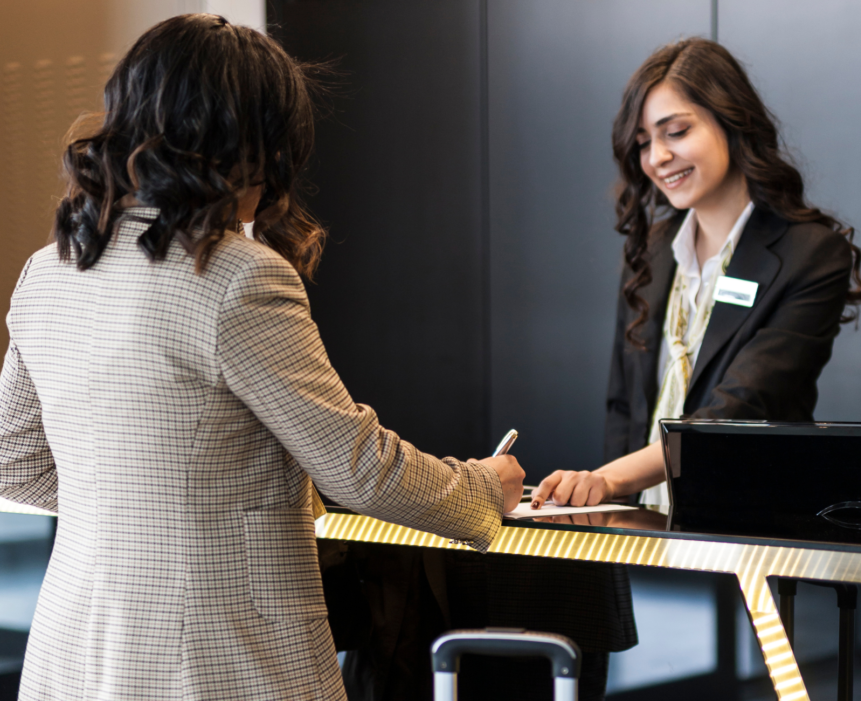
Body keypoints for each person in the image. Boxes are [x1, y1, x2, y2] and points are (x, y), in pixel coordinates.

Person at [0, 14, 524, 701]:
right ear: (246, 144)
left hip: (73, 656)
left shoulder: (51, 268)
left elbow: (13, 457)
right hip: (220, 662)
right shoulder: (236, 274)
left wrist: (156, 512)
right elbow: (357, 466)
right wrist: (484, 486)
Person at [532, 37, 861, 509]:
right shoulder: (652, 252)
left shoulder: (812, 255)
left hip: (744, 532)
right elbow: (624, 408)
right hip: (639, 532)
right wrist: (609, 516)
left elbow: (738, 410)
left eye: (676, 132)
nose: (657, 158)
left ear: (732, 121)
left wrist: (609, 481)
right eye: (645, 143)